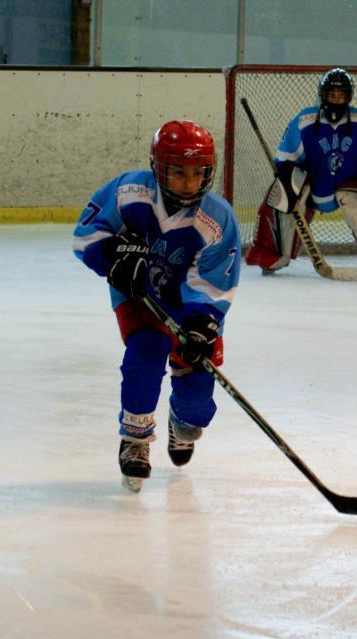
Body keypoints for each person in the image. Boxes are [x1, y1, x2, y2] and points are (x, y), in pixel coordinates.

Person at [72, 120, 241, 492]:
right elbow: (86, 235)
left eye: (197, 173)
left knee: (196, 405)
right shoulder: (129, 192)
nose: (188, 183)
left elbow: (215, 281)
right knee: (145, 353)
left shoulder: (217, 218)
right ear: (157, 167)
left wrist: (201, 323)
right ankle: (135, 438)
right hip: (139, 296)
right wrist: (114, 258)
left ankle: (181, 419)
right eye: (178, 172)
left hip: (190, 305)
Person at [244, 67, 357, 276]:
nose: (336, 99)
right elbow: (286, 157)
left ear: (349, 96)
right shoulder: (304, 121)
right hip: (312, 186)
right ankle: (271, 254)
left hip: (349, 186)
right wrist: (287, 174)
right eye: (332, 94)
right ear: (322, 95)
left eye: (341, 95)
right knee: (282, 190)